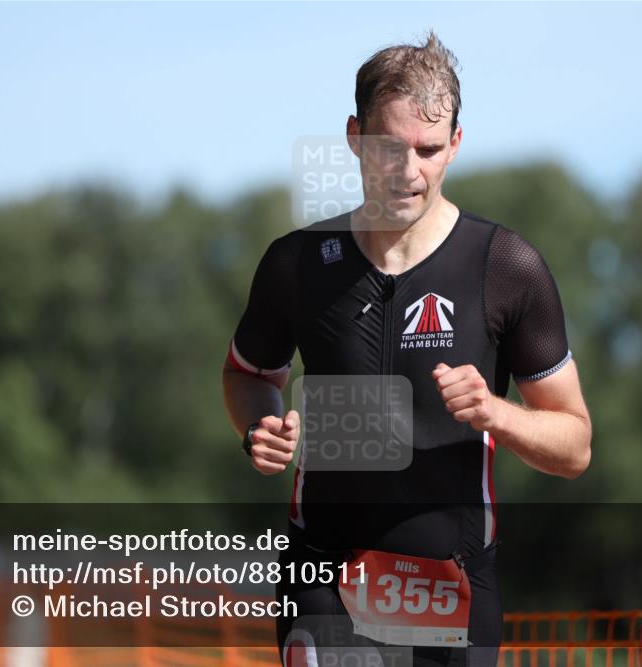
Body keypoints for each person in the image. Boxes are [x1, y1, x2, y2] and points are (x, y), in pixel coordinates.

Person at [222, 30, 592, 667]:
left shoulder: (504, 267)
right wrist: (260, 425)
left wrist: (496, 413)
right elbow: (245, 374)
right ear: (354, 135)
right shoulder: (297, 263)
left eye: (427, 149)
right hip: (323, 579)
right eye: (390, 147)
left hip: (451, 586)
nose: (409, 170)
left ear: (455, 143)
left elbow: (576, 445)